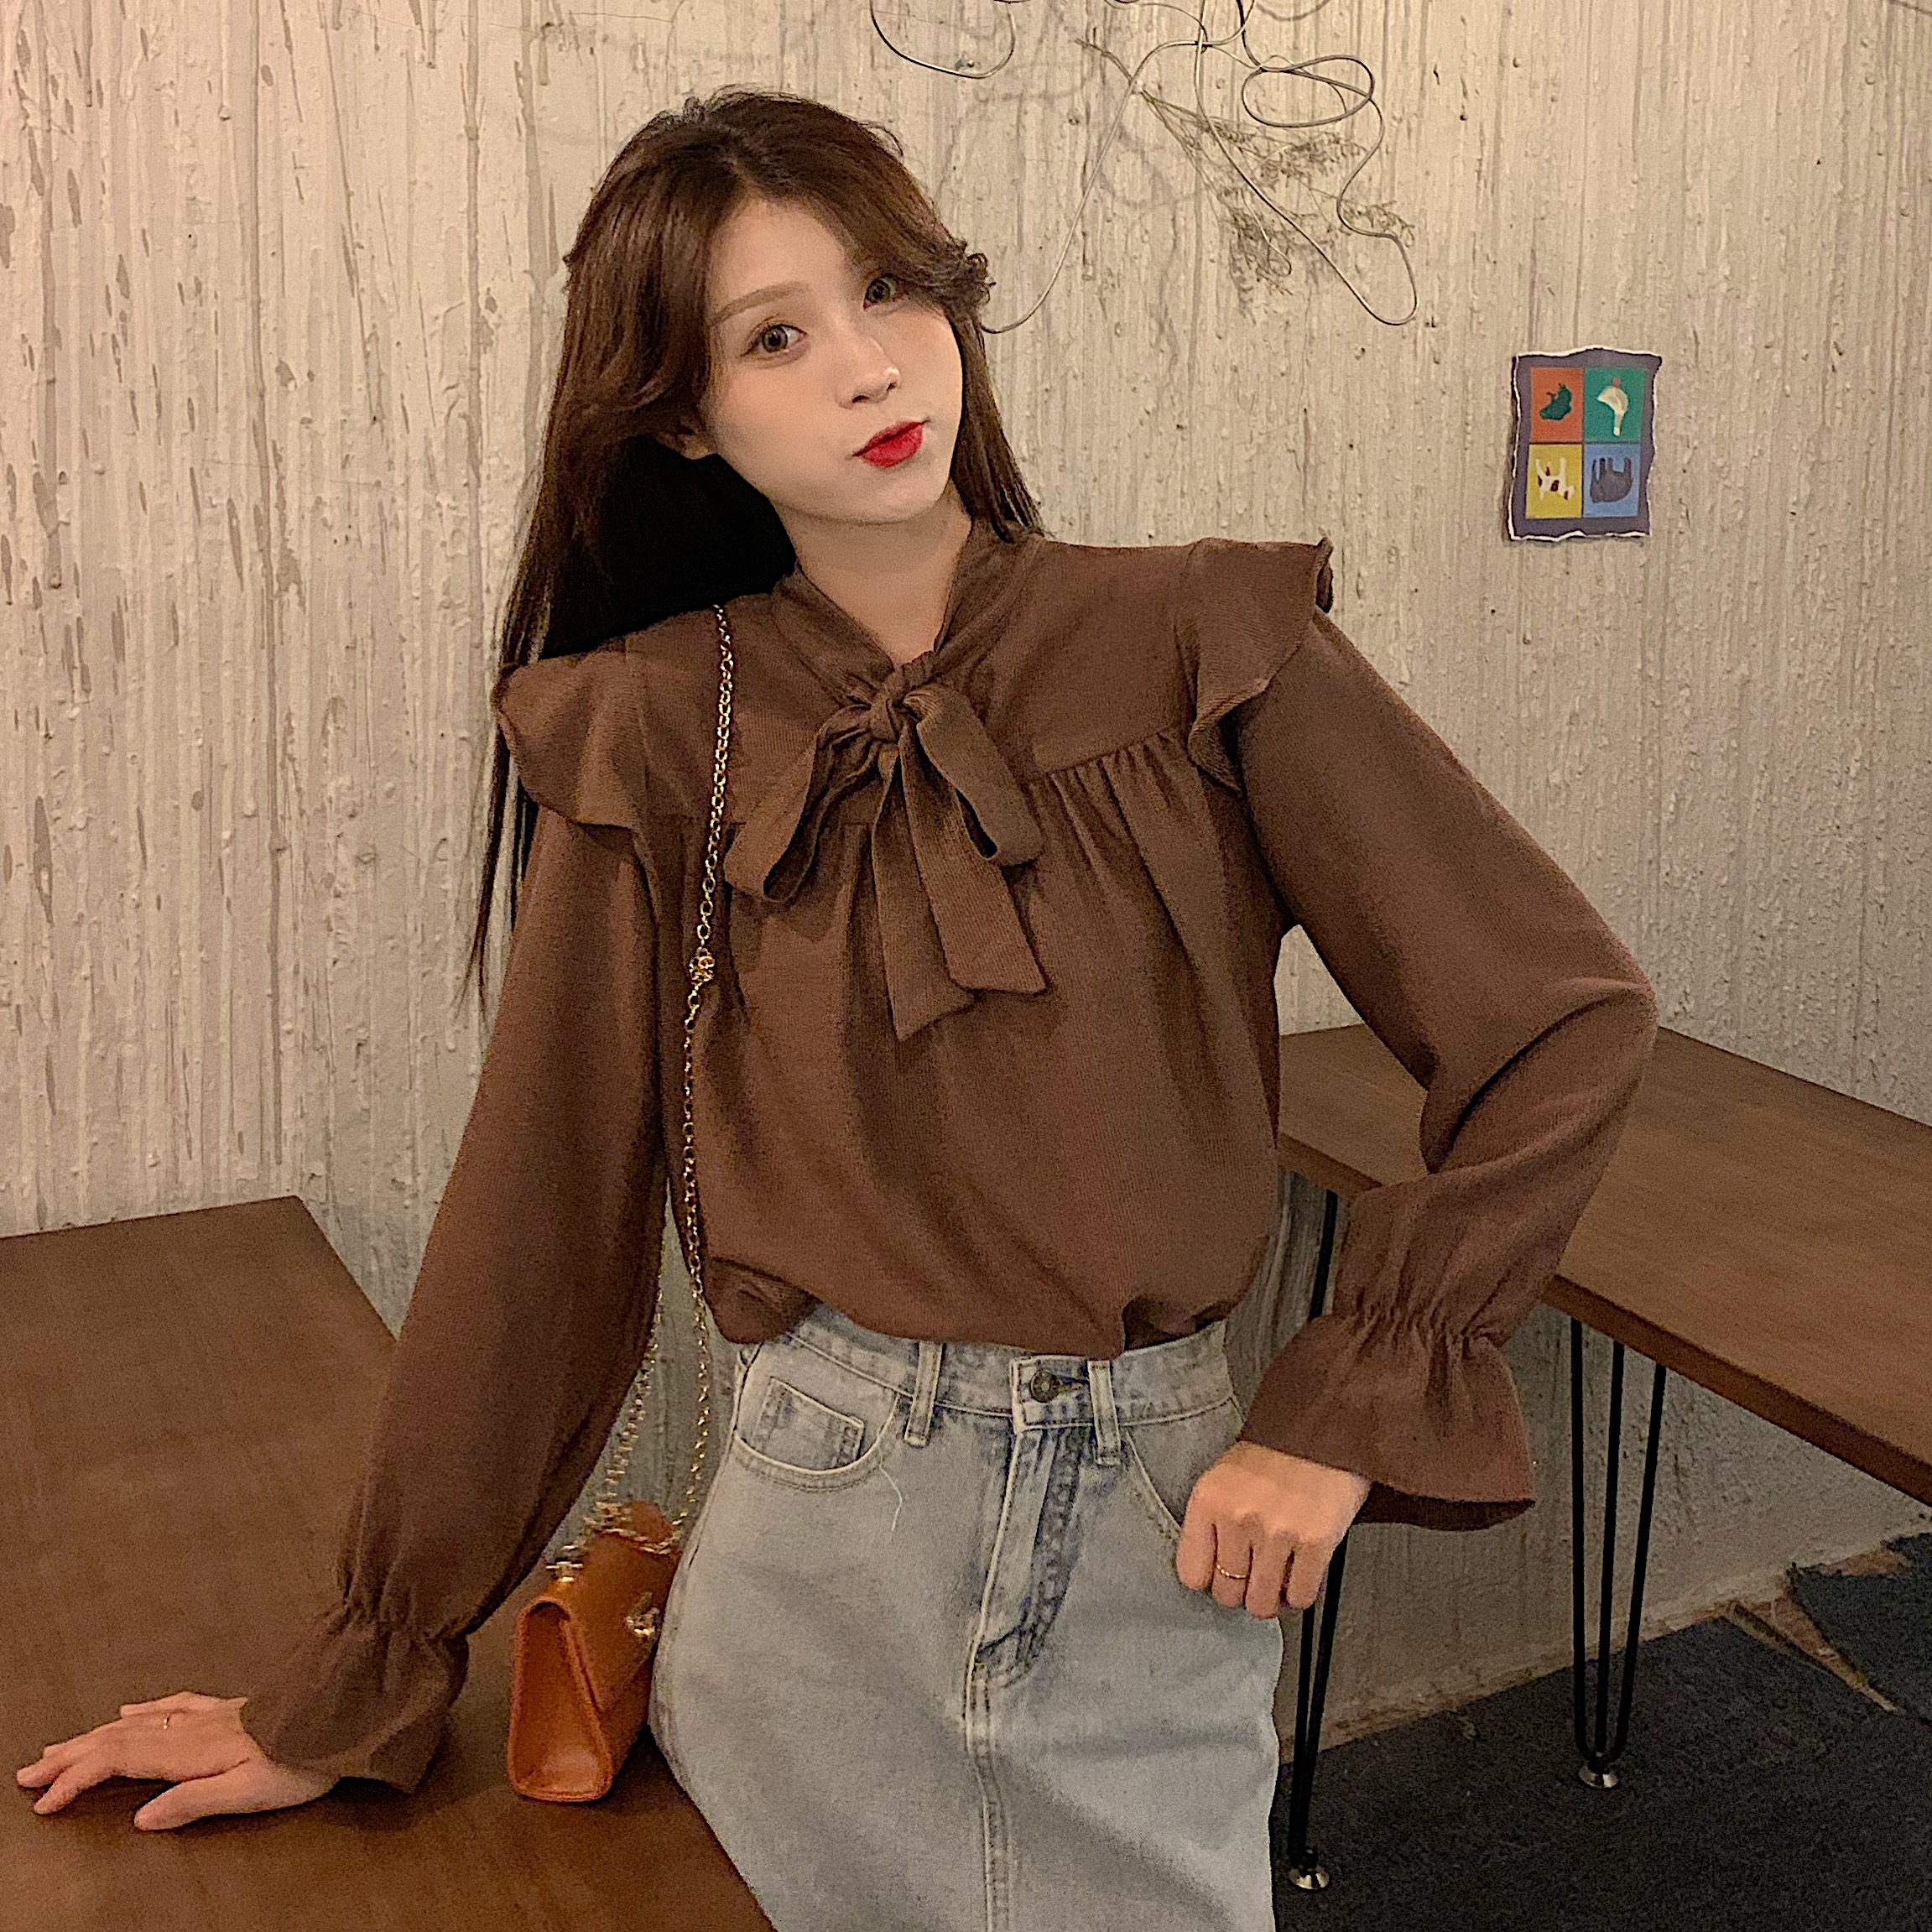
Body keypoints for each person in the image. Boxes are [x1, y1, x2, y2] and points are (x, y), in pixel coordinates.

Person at [16, 86, 1657, 1930]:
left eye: (890, 289)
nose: (872, 365)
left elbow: (1556, 1017)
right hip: (818, 1527)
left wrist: (1355, 1397)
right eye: (774, 337)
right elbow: (546, 1217)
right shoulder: (654, 725)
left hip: (1152, 1515)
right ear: (683, 416)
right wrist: (363, 1672)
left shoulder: (1203, 641)